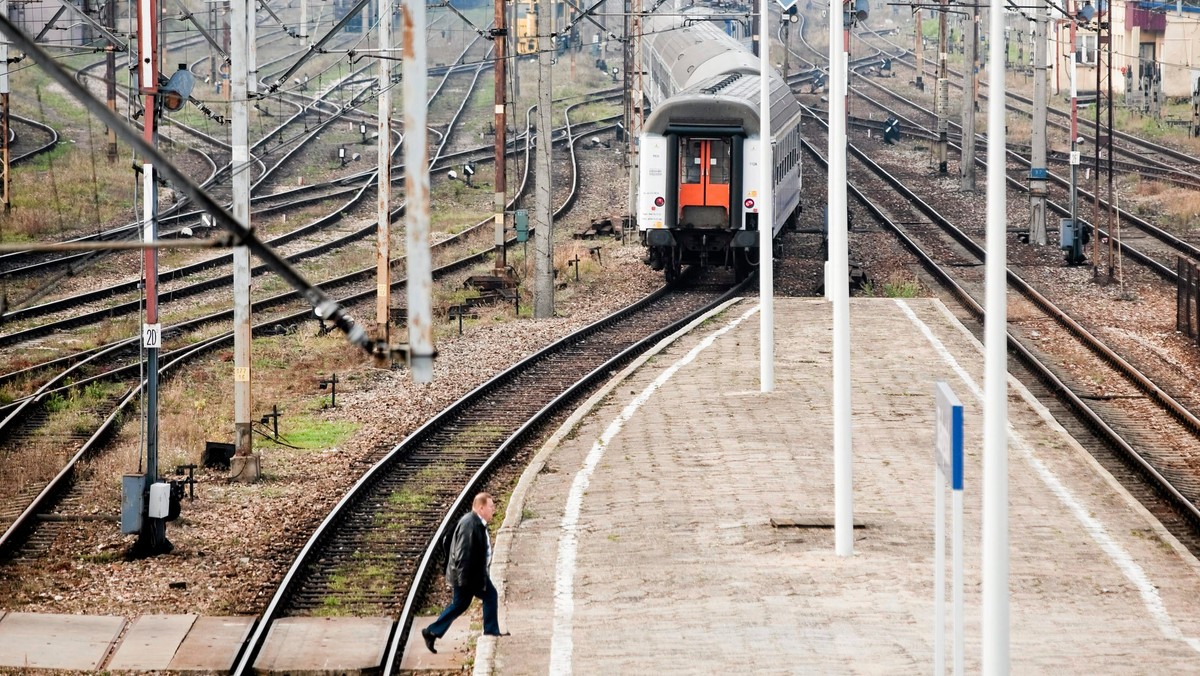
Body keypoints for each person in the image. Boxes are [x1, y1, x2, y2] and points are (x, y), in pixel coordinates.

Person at [422, 492, 507, 653]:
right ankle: (491, 632)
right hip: (469, 575)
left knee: (459, 604)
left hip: (469, 574)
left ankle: (432, 631)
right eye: (491, 506)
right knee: (490, 596)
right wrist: (465, 581)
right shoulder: (471, 524)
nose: (493, 509)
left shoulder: (476, 522)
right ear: (481, 508)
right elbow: (462, 555)